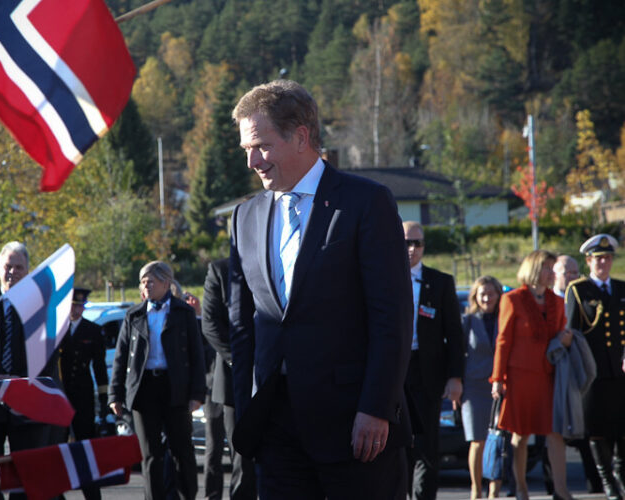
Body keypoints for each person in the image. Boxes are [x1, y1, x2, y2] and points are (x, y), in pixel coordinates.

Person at [228, 80, 412, 499]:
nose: (253, 160)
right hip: (276, 436)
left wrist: (377, 408)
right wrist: (248, 413)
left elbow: (392, 317)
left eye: (261, 146)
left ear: (301, 137)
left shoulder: (366, 202)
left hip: (357, 431)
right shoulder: (245, 217)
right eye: (246, 150)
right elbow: (243, 330)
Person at [0, 241, 59, 500]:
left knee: (25, 475)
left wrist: (22, 385)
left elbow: (47, 358)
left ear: (27, 271)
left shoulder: (40, 311)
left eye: (19, 267)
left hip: (26, 404)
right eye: (8, 266)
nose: (12, 272)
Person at [108, 261, 205, 500]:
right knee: (150, 454)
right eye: (142, 281)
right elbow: (121, 357)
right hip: (144, 389)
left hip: (175, 388)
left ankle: (186, 496)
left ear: (166, 283)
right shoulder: (134, 315)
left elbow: (196, 355)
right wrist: (115, 395)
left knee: (182, 451)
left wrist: (197, 394)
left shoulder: (183, 313)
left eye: (151, 280)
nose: (146, 285)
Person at [490, 250, 574, 500]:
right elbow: (503, 341)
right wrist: (497, 378)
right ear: (535, 269)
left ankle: (561, 490)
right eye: (547, 267)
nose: (551, 272)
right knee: (520, 433)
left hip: (548, 376)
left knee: (555, 431)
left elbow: (560, 336)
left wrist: (566, 340)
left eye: (552, 267)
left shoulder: (557, 302)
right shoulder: (513, 299)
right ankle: (521, 489)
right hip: (519, 378)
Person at [402, 220, 464, 500]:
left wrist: (455, 376)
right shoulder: (378, 277)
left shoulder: (439, 283)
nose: (411, 249)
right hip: (392, 372)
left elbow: (454, 333)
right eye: (405, 242)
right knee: (394, 447)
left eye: (417, 243)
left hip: (426, 373)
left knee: (426, 447)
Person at [566, 234, 625, 500]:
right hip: (594, 374)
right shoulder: (579, 290)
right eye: (598, 258)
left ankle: (621, 475)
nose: (603, 263)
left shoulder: (622, 289)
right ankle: (608, 483)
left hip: (620, 372)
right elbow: (572, 334)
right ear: (588, 261)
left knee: (622, 428)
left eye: (607, 258)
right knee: (598, 429)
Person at [202, 258, 257, 500]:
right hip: (236, 380)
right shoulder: (222, 270)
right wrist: (241, 361)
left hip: (279, 375)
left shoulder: (280, 260)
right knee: (241, 457)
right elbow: (210, 324)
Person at [551, 254, 603, 494]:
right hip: (551, 377)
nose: (572, 277)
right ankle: (553, 489)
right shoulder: (547, 302)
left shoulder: (585, 299)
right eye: (566, 273)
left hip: (579, 378)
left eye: (575, 272)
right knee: (550, 439)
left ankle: (595, 487)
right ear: (554, 275)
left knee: (586, 437)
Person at [56, 287, 109, 500]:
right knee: (57, 448)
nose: (76, 309)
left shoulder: (93, 331)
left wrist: (104, 400)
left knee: (86, 449)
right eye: (72, 305)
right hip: (59, 395)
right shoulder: (57, 329)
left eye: (80, 305)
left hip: (82, 396)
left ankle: (92, 495)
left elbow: (99, 368)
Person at [461, 276, 503, 499]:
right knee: (477, 440)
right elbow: (458, 355)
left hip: (500, 387)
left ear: (498, 294)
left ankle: (493, 491)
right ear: (476, 297)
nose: (487, 298)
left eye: (491, 293)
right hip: (474, 388)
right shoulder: (468, 321)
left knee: (498, 440)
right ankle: (476, 489)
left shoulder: (505, 318)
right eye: (482, 294)